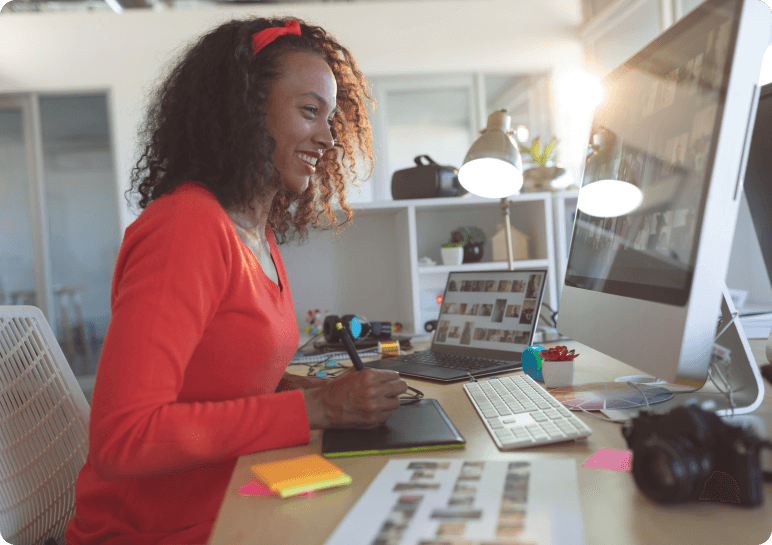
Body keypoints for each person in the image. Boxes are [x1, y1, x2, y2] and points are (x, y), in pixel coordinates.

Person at [65, 17, 408, 545]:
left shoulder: (255, 232)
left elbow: (222, 382)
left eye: (331, 118)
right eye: (309, 111)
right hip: (152, 531)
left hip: (235, 499)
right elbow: (123, 438)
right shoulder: (187, 228)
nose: (327, 136)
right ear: (246, 112)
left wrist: (320, 392)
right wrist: (315, 408)